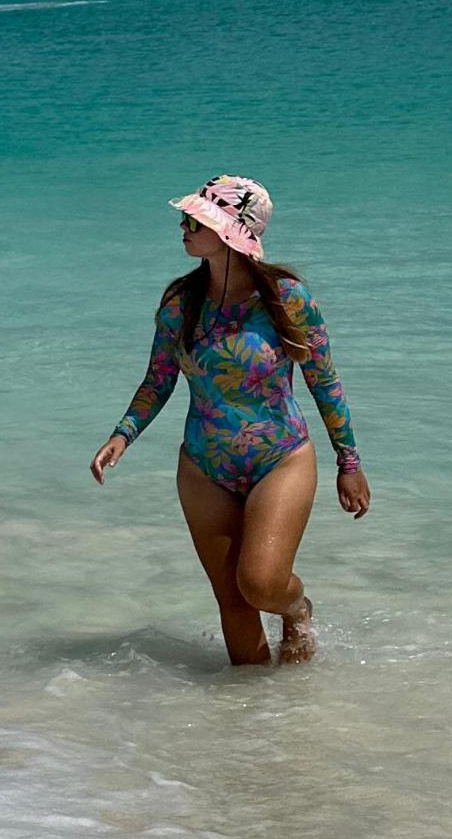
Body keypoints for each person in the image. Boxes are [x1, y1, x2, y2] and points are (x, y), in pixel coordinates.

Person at [89, 175, 369, 666]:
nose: (182, 226)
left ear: (228, 231)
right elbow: (158, 379)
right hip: (203, 466)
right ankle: (258, 727)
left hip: (280, 459)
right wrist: (122, 434)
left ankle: (297, 609)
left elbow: (324, 380)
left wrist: (349, 461)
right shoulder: (181, 303)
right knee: (234, 607)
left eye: (194, 220)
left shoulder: (286, 298)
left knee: (260, 584)